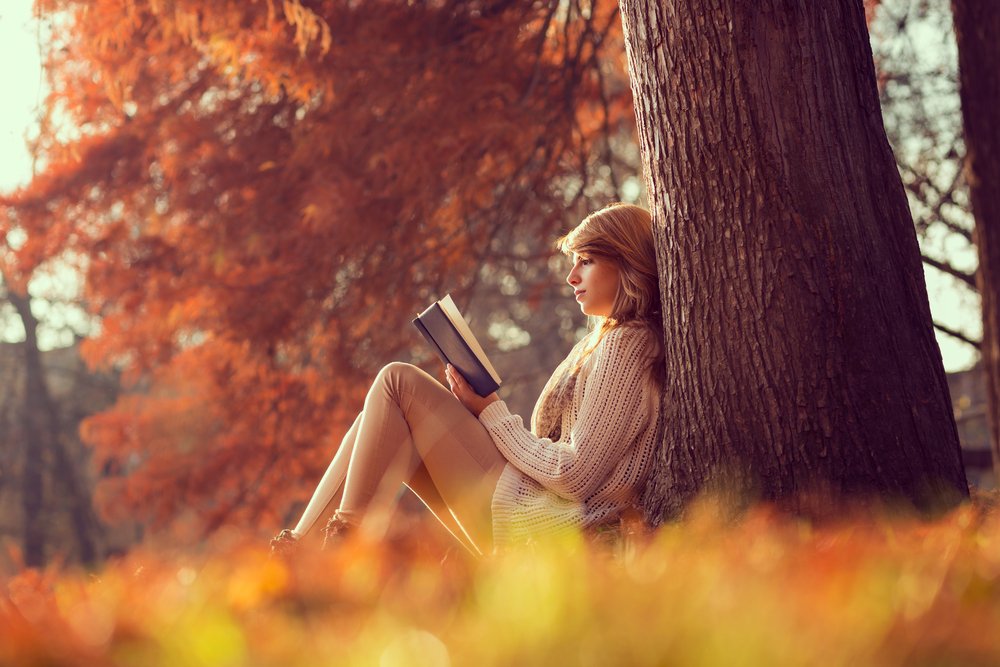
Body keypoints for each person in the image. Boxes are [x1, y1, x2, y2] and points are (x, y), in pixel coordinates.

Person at [269, 202, 665, 558]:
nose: (571, 276)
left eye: (587, 260)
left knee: (397, 383)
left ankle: (334, 558)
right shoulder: (601, 342)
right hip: (533, 516)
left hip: (547, 528)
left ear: (626, 263)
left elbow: (573, 474)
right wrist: (477, 415)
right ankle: (302, 556)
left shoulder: (626, 345)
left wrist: (492, 412)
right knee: (385, 418)